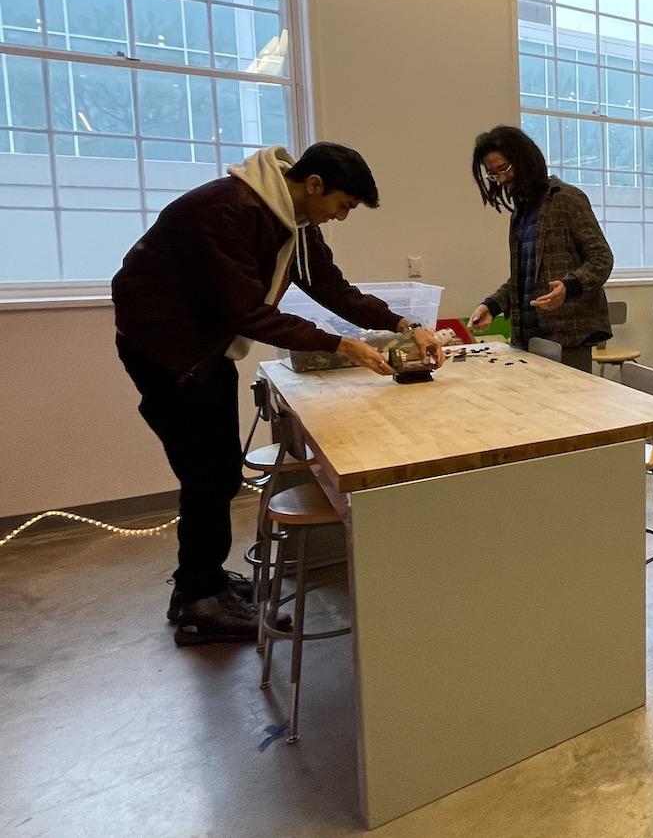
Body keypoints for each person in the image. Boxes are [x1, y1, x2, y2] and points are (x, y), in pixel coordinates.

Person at [113, 143, 443, 646]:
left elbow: (333, 289)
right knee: (209, 474)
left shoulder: (294, 224)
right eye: (343, 206)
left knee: (217, 471)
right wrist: (338, 344)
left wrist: (406, 324)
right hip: (169, 353)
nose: (341, 217)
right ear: (314, 185)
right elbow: (244, 310)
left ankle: (201, 583)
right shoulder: (227, 210)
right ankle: (200, 604)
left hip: (204, 351)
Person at [468, 126, 615, 373]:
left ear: (525, 160)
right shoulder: (521, 213)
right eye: (493, 175)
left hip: (568, 335)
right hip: (527, 338)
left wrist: (569, 287)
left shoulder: (567, 199)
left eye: (503, 168)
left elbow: (601, 258)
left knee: (573, 410)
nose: (502, 179)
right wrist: (492, 305)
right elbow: (524, 277)